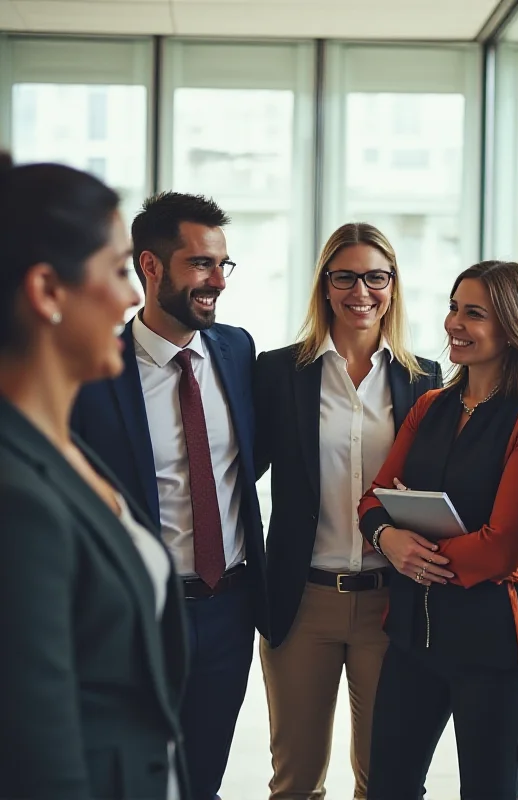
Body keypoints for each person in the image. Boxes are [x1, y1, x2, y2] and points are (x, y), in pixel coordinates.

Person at [0, 155, 187, 798]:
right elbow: (36, 753)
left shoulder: (62, 450)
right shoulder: (13, 496)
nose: (135, 294)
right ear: (48, 291)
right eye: (116, 269)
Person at [71, 191, 268, 800]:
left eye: (223, 265)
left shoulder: (237, 350)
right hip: (140, 615)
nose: (217, 282)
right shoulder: (97, 370)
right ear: (150, 267)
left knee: (202, 778)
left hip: (228, 609)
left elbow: (248, 461)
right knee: (131, 777)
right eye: (201, 265)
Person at [253, 222, 442, 800]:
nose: (361, 291)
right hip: (302, 600)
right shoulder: (279, 372)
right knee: (295, 782)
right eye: (346, 277)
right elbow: (237, 471)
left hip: (391, 603)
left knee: (387, 781)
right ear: (325, 286)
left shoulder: (425, 380)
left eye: (376, 277)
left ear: (393, 285)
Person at [359, 260, 518, 800]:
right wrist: (388, 540)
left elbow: (503, 550)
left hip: (492, 644)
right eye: (453, 307)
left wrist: (418, 556)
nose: (454, 323)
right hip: (412, 635)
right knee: (389, 789)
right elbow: (374, 500)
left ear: (513, 328)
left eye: (474, 313)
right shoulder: (430, 405)